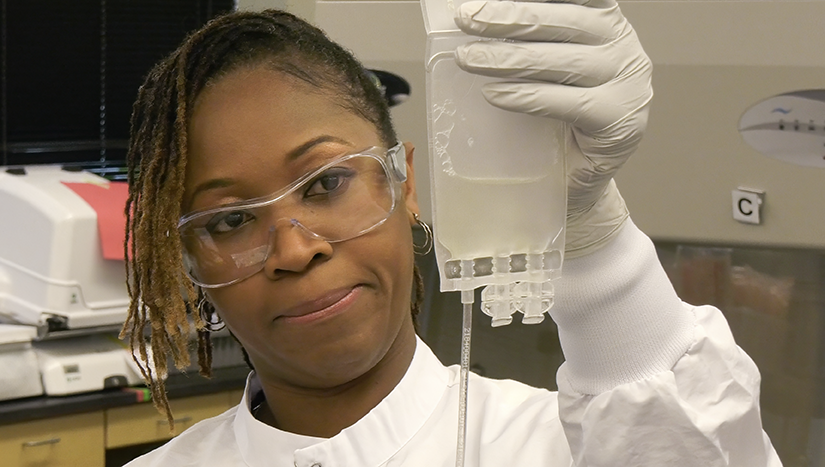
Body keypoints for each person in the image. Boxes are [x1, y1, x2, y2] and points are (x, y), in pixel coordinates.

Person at [122, 1, 782, 466]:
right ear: (186, 259)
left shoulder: (565, 446)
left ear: (404, 185)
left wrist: (588, 236)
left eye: (326, 183)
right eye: (231, 220)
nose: (295, 249)